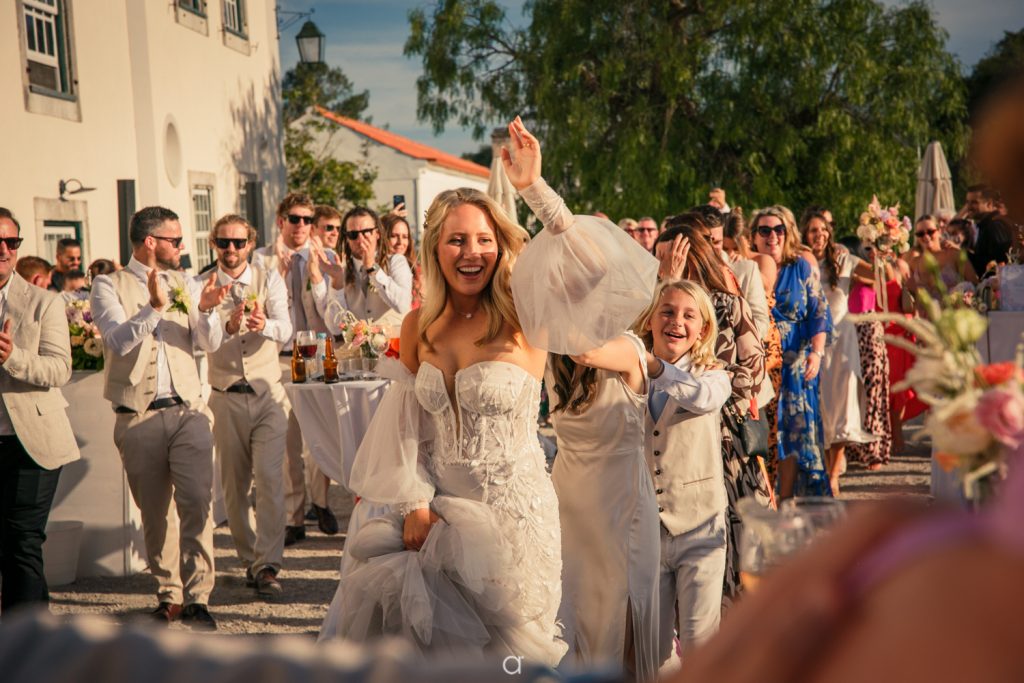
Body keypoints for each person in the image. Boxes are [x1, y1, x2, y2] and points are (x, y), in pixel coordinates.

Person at [326, 117, 652, 664]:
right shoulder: (418, 326)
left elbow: (599, 272)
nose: (471, 252)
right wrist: (415, 504)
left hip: (514, 520)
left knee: (513, 661)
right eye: (456, 240)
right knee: (435, 659)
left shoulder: (526, 313)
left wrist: (534, 189)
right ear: (436, 248)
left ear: (501, 246)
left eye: (484, 240)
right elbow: (406, 427)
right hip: (438, 521)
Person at [89, 206, 228, 629]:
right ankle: (170, 595)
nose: (182, 247)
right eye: (176, 239)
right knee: (155, 512)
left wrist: (207, 311)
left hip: (188, 410)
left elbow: (209, 344)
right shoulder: (107, 285)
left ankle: (199, 597)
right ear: (151, 242)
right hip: (136, 414)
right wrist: (152, 308)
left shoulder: (186, 281)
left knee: (197, 502)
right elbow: (117, 341)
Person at [655, 218, 769, 606]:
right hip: (666, 441)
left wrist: (711, 378)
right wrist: (665, 284)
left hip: (722, 436)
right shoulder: (655, 308)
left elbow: (755, 370)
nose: (661, 265)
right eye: (657, 258)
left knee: (731, 544)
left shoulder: (727, 304)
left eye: (669, 258)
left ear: (692, 257)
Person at [546, 332, 661, 679]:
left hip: (619, 506)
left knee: (614, 617)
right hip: (567, 502)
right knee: (568, 614)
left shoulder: (628, 347)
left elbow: (586, 352)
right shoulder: (552, 352)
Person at [634, 279, 731, 661]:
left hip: (700, 526)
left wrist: (657, 367)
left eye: (689, 316)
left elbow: (702, 398)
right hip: (647, 531)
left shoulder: (713, 375)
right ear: (650, 321)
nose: (677, 321)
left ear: (702, 330)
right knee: (652, 648)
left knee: (699, 641)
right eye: (667, 312)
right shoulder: (631, 375)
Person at [203, 214, 292, 599]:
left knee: (271, 480)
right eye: (224, 242)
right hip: (225, 395)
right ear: (214, 244)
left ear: (250, 244)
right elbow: (199, 340)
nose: (231, 249)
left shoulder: (268, 278)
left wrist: (264, 325)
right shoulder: (202, 285)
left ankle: (268, 564)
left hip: (268, 393)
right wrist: (224, 326)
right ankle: (250, 559)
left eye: (239, 242)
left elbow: (286, 328)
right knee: (234, 485)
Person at [0, 207, 79, 616]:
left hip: (30, 441)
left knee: (22, 540)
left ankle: (27, 641)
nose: (4, 249)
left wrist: (12, 357)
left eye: (11, 241)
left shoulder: (43, 301)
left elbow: (59, 369)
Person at [252, 192, 337, 546]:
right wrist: (280, 274)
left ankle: (322, 501)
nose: (301, 225)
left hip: (316, 352)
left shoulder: (327, 256)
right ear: (281, 221)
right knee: (288, 441)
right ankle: (294, 517)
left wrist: (316, 274)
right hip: (280, 356)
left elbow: (332, 310)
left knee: (320, 436)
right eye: (295, 219)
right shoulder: (261, 260)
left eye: (307, 219)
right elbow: (258, 307)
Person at [749, 206, 832, 499]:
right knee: (765, 432)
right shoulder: (747, 269)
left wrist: (816, 353)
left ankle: (785, 501)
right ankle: (767, 497)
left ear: (787, 234)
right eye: (764, 230)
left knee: (794, 433)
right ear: (754, 236)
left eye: (778, 230)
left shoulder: (800, 266)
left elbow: (819, 310)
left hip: (796, 363)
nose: (772, 236)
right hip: (760, 363)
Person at [801, 212, 876, 495]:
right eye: (812, 230)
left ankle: (834, 474)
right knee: (820, 405)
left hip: (842, 340)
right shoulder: (801, 262)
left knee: (843, 405)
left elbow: (880, 276)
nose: (818, 234)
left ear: (829, 232)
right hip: (812, 341)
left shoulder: (844, 259)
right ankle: (823, 469)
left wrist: (880, 251)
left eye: (822, 229)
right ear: (805, 234)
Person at [844, 242, 893, 471]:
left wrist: (880, 254)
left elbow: (887, 277)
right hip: (847, 331)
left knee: (873, 389)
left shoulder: (867, 275)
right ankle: (851, 447)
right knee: (851, 391)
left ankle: (874, 449)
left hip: (869, 331)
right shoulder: (840, 277)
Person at [323, 207, 413, 331]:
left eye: (366, 232)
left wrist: (372, 268)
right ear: (347, 238)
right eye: (353, 235)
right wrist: (336, 282)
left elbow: (402, 305)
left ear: (377, 234)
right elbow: (335, 328)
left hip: (395, 341)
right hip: (358, 343)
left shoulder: (396, 261)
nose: (360, 239)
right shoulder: (341, 270)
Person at [905, 215, 978, 308]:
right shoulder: (914, 263)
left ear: (939, 231)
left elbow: (975, 284)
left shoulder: (954, 255)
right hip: (925, 315)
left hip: (955, 313)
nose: (926, 236)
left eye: (930, 231)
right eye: (920, 234)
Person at [964, 184, 1015, 276]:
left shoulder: (995, 226)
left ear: (989, 204)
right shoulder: (986, 226)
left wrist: (964, 255)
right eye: (967, 202)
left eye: (974, 202)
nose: (969, 207)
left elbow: (1002, 262)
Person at [382, 212, 422, 309]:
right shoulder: (375, 270)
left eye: (405, 237)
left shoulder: (418, 270)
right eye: (394, 236)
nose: (400, 242)